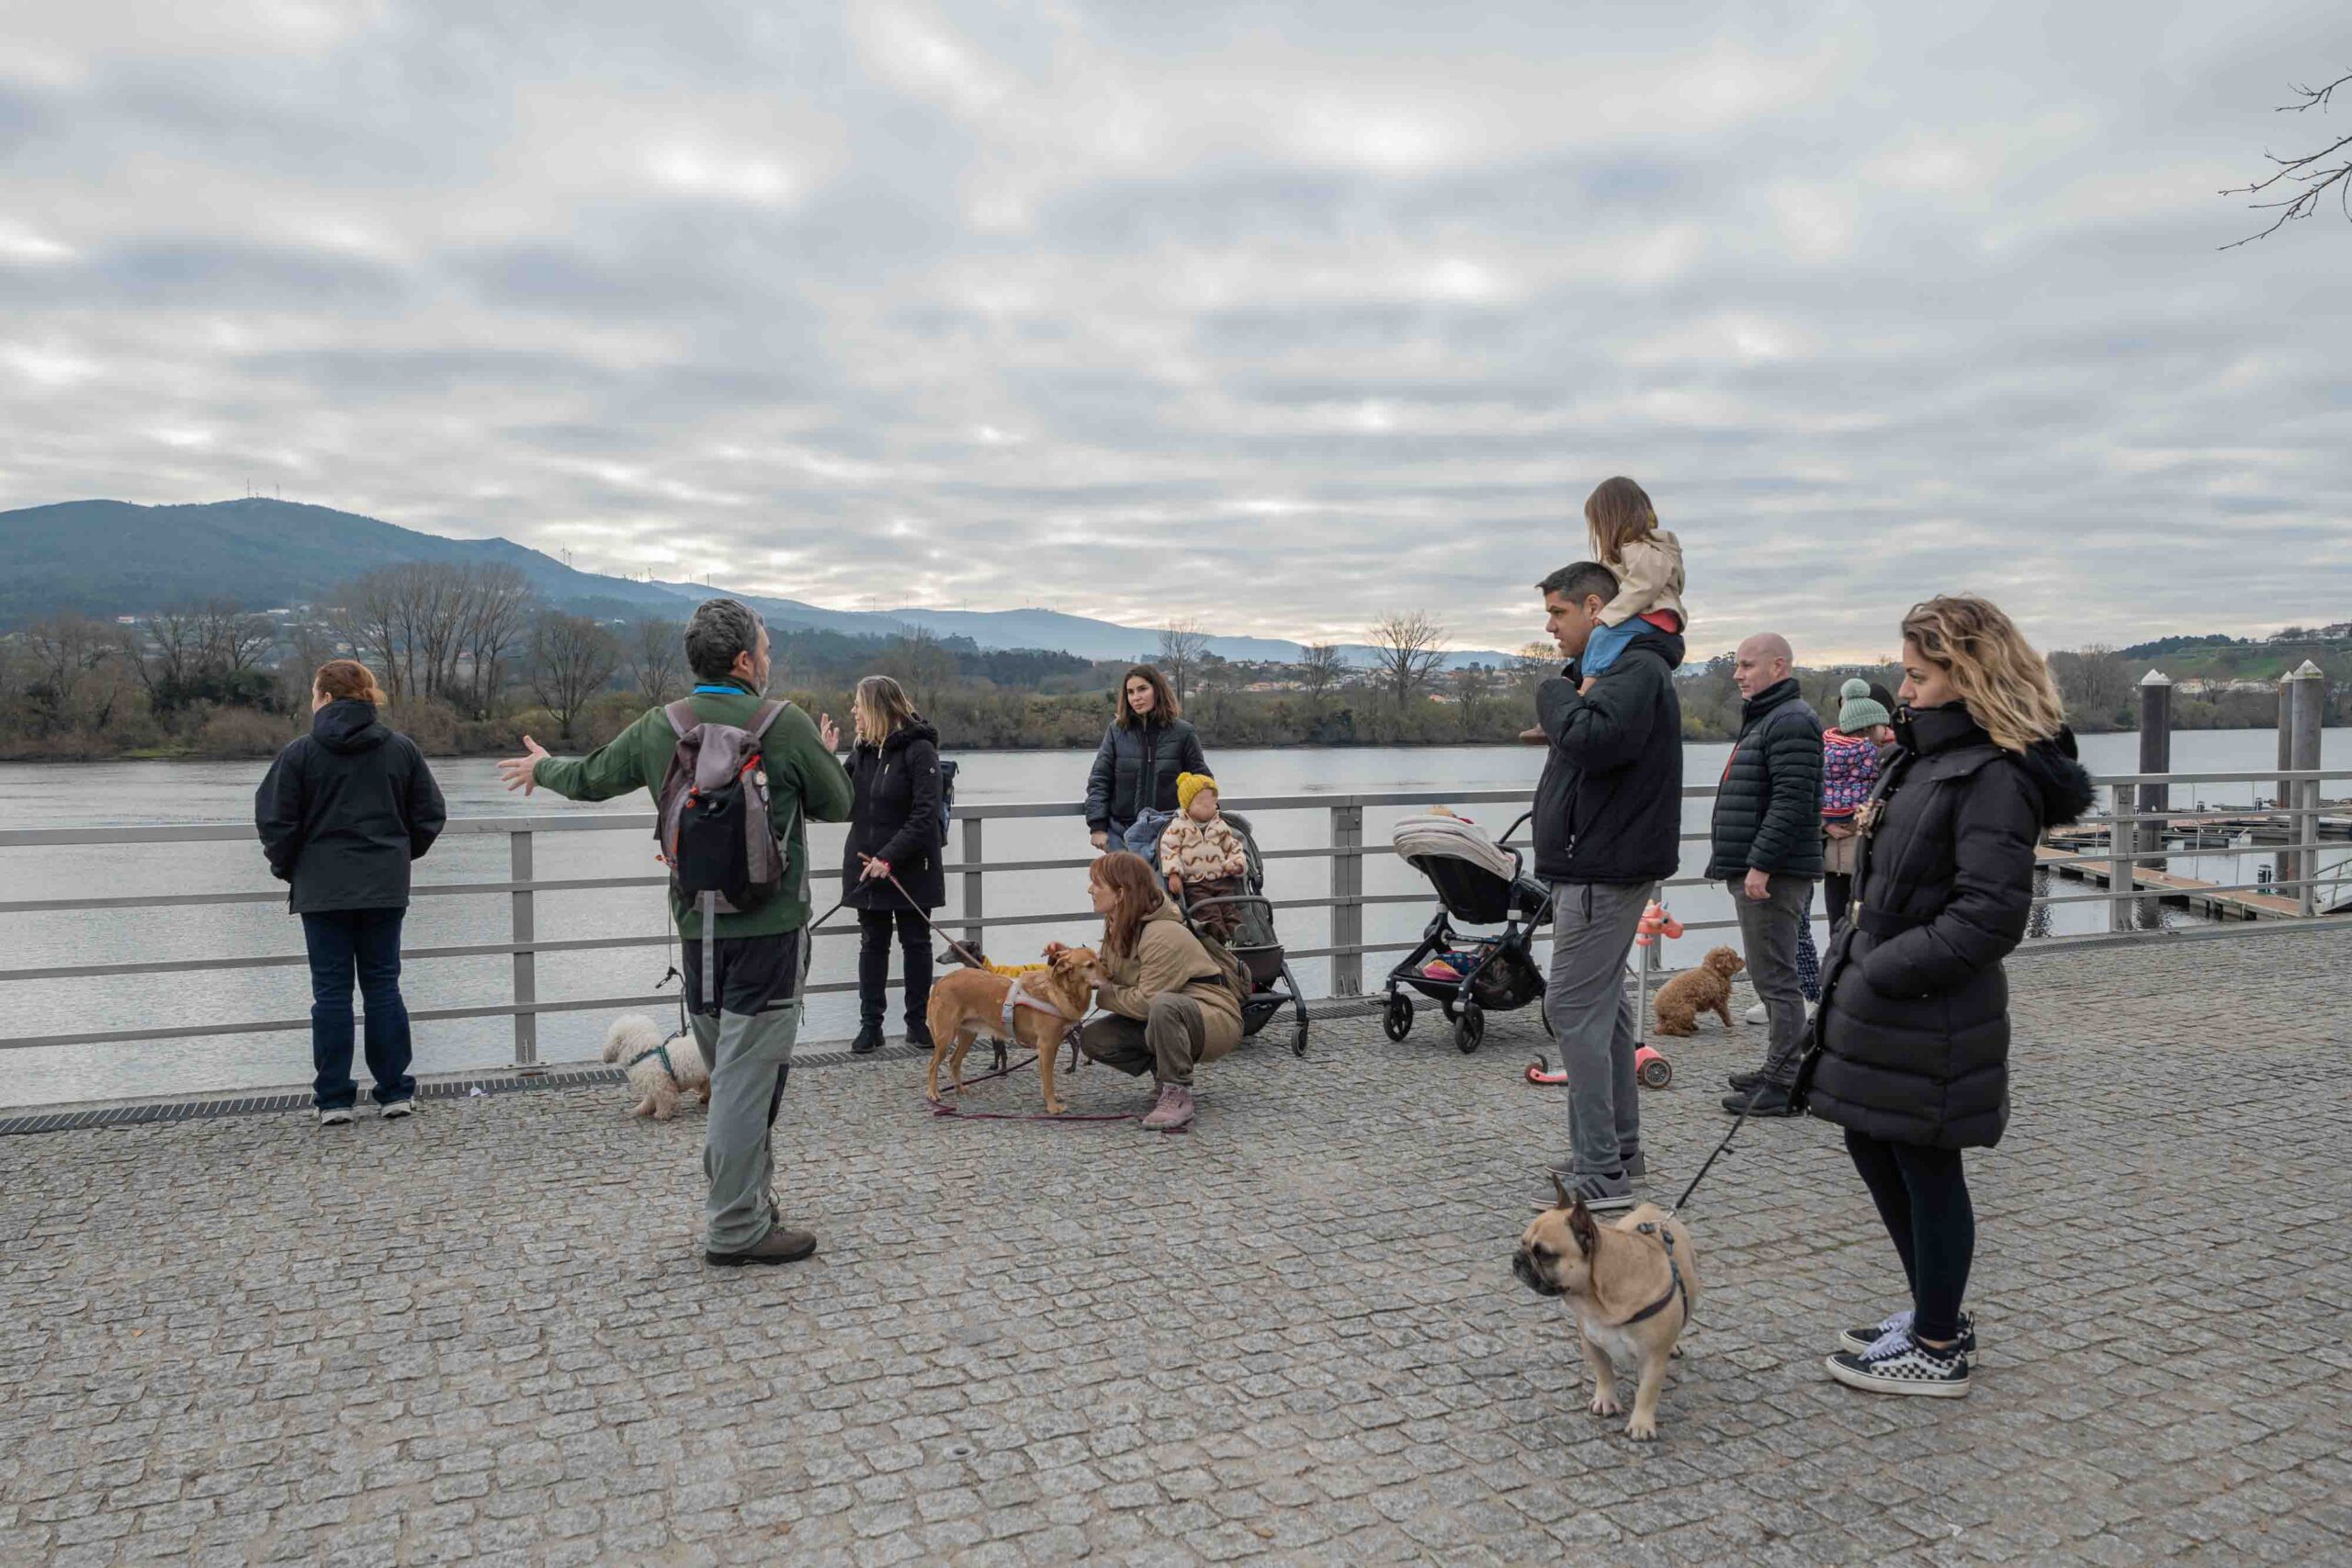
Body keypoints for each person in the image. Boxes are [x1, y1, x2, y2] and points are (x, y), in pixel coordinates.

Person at [497, 599, 853, 1268]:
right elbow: (840, 802)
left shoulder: (661, 726)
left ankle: (753, 1200)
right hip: (771, 933)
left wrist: (543, 767)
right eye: (766, 649)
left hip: (698, 932)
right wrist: (820, 760)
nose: (768, 659)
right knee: (746, 1085)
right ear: (743, 660)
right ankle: (736, 1227)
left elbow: (591, 777)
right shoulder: (786, 723)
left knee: (736, 1075)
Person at [1797, 595, 2091, 1397]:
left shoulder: (1995, 774)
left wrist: (1883, 967)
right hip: (1886, 995)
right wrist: (1858, 960)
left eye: (1919, 675)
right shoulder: (1925, 756)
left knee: (1926, 1164)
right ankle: (1935, 1308)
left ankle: (1936, 1343)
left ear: (1970, 676)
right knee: (1871, 1140)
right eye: (1905, 672)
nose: (1904, 688)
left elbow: (1990, 915)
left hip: (1932, 1008)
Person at [1529, 560, 1686, 1212]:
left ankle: (1601, 1174)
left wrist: (1553, 692)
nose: (1550, 627)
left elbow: (1593, 740)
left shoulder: (1633, 668)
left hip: (1602, 866)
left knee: (1571, 1007)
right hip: (1597, 863)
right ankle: (1620, 1152)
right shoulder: (1620, 668)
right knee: (1607, 1008)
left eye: (1557, 613)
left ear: (1595, 607)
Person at [255, 660, 447, 1128]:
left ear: (323, 698)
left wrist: (292, 868)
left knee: (331, 994)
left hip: (322, 890)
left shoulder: (299, 754)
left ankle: (334, 1099)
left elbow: (275, 822)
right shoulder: (400, 749)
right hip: (383, 887)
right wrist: (397, 856)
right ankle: (394, 1092)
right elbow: (429, 814)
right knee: (383, 986)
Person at [1712, 632, 1825, 1117]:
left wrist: (1761, 865)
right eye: (1738, 665)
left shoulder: (1791, 720)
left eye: (1747, 665)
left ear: (1779, 667)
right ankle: (1778, 1067)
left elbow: (1792, 802)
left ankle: (1784, 1083)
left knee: (1776, 978)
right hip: (1763, 870)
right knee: (1768, 974)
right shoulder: (1771, 716)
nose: (1737, 674)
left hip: (1772, 875)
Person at [1057, 851, 1244, 1133]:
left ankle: (1177, 1092)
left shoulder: (1161, 934)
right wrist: (1072, 961)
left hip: (1213, 1016)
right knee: (1094, 1039)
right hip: (1168, 1014)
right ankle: (1164, 1069)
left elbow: (1147, 1002)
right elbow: (1109, 970)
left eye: (1097, 883)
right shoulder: (1117, 923)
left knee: (1163, 1006)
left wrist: (1105, 993)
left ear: (1121, 893)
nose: (1090, 889)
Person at [842, 675, 944, 1056]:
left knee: (916, 942)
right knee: (872, 943)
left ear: (876, 707)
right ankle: (871, 1026)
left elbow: (925, 813)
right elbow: (836, 801)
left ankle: (918, 1023)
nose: (853, 711)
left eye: (858, 704)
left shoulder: (920, 751)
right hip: (865, 866)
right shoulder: (862, 752)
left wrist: (889, 857)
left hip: (912, 865)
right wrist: (824, 756)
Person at [1083, 665, 1206, 855]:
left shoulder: (1183, 733)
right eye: (1130, 692)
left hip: (1169, 836)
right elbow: (1099, 780)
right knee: (1123, 876)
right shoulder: (1116, 732)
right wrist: (1097, 826)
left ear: (1157, 690)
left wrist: (1207, 822)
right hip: (1122, 835)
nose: (1136, 697)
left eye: (1142, 689)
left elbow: (1202, 783)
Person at [1577, 476, 1688, 685]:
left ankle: (1588, 683)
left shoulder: (1639, 548)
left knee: (1602, 636)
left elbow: (1643, 586)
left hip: (1653, 614)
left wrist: (1608, 615)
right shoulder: (1649, 549)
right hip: (1653, 614)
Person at [1820, 678, 1894, 930]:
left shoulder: (1828, 753)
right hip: (1858, 858)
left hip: (1841, 859)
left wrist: (1826, 822)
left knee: (1842, 925)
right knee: (1857, 926)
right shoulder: (1878, 756)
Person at [1157, 772, 1249, 942]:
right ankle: (1221, 940)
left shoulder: (1220, 826)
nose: (1208, 806)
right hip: (1195, 884)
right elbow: (1169, 850)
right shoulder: (1178, 827)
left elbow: (1233, 847)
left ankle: (1238, 934)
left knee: (1229, 908)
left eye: (1212, 803)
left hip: (1221, 880)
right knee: (1208, 911)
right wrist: (1174, 873)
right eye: (1201, 803)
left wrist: (1236, 863)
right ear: (1187, 806)